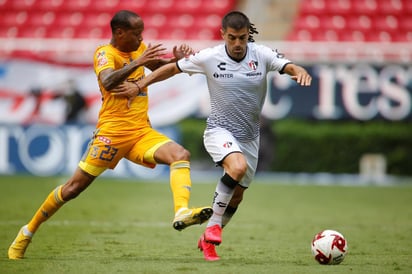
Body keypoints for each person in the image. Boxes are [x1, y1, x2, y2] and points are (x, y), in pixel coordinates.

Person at [8, 10, 213, 260]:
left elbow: (160, 68)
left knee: (180, 154)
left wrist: (179, 62)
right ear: (119, 32)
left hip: (140, 132)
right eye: (136, 33)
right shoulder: (105, 53)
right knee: (72, 189)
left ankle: (181, 211)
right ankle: (27, 232)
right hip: (111, 134)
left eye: (142, 33)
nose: (141, 38)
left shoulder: (138, 50)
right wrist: (137, 63)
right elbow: (107, 81)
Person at [115, 11, 312, 261]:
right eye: (232, 38)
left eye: (242, 38)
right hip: (220, 130)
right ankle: (215, 225)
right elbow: (172, 69)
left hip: (250, 137)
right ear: (223, 35)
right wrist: (140, 85)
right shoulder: (210, 57)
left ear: (248, 35)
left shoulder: (261, 54)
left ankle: (208, 239)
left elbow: (288, 65)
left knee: (237, 196)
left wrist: (298, 71)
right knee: (237, 167)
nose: (238, 44)